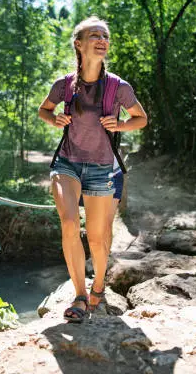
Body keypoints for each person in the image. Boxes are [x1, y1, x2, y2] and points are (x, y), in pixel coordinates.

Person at [38, 17, 147, 322]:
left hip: (103, 169)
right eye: (94, 35)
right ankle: (79, 295)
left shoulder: (118, 87)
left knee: (99, 238)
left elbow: (141, 118)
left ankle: (99, 285)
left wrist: (122, 124)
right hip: (67, 163)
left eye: (105, 36)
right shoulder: (63, 85)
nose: (101, 39)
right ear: (79, 44)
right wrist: (54, 118)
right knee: (70, 222)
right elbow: (43, 110)